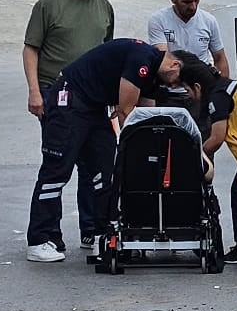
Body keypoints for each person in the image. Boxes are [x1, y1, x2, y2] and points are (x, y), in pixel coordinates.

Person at [26, 38, 182, 263]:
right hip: (70, 99)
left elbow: (149, 118)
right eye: (179, 82)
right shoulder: (142, 58)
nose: (175, 87)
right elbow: (126, 111)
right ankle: (39, 239)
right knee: (57, 171)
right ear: (175, 65)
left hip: (94, 107)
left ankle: (102, 234)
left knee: (105, 171)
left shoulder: (153, 77)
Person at [22, 0, 115, 256]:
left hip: (95, 100)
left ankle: (95, 229)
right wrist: (35, 92)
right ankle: (42, 237)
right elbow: (31, 50)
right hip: (57, 94)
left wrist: (113, 98)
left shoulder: (104, 7)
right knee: (57, 167)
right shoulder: (49, 5)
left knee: (99, 165)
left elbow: (106, 54)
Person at [170, 49, 237, 263]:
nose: (188, 95)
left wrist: (194, 157)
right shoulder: (227, 85)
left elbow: (217, 137)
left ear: (197, 86)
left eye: (187, 90)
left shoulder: (217, 97)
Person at [146, 0, 228, 73]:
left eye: (196, 0)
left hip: (202, 83)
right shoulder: (158, 20)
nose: (193, 7)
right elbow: (164, 61)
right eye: (186, 2)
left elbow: (220, 59)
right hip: (171, 84)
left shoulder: (209, 21)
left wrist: (221, 87)